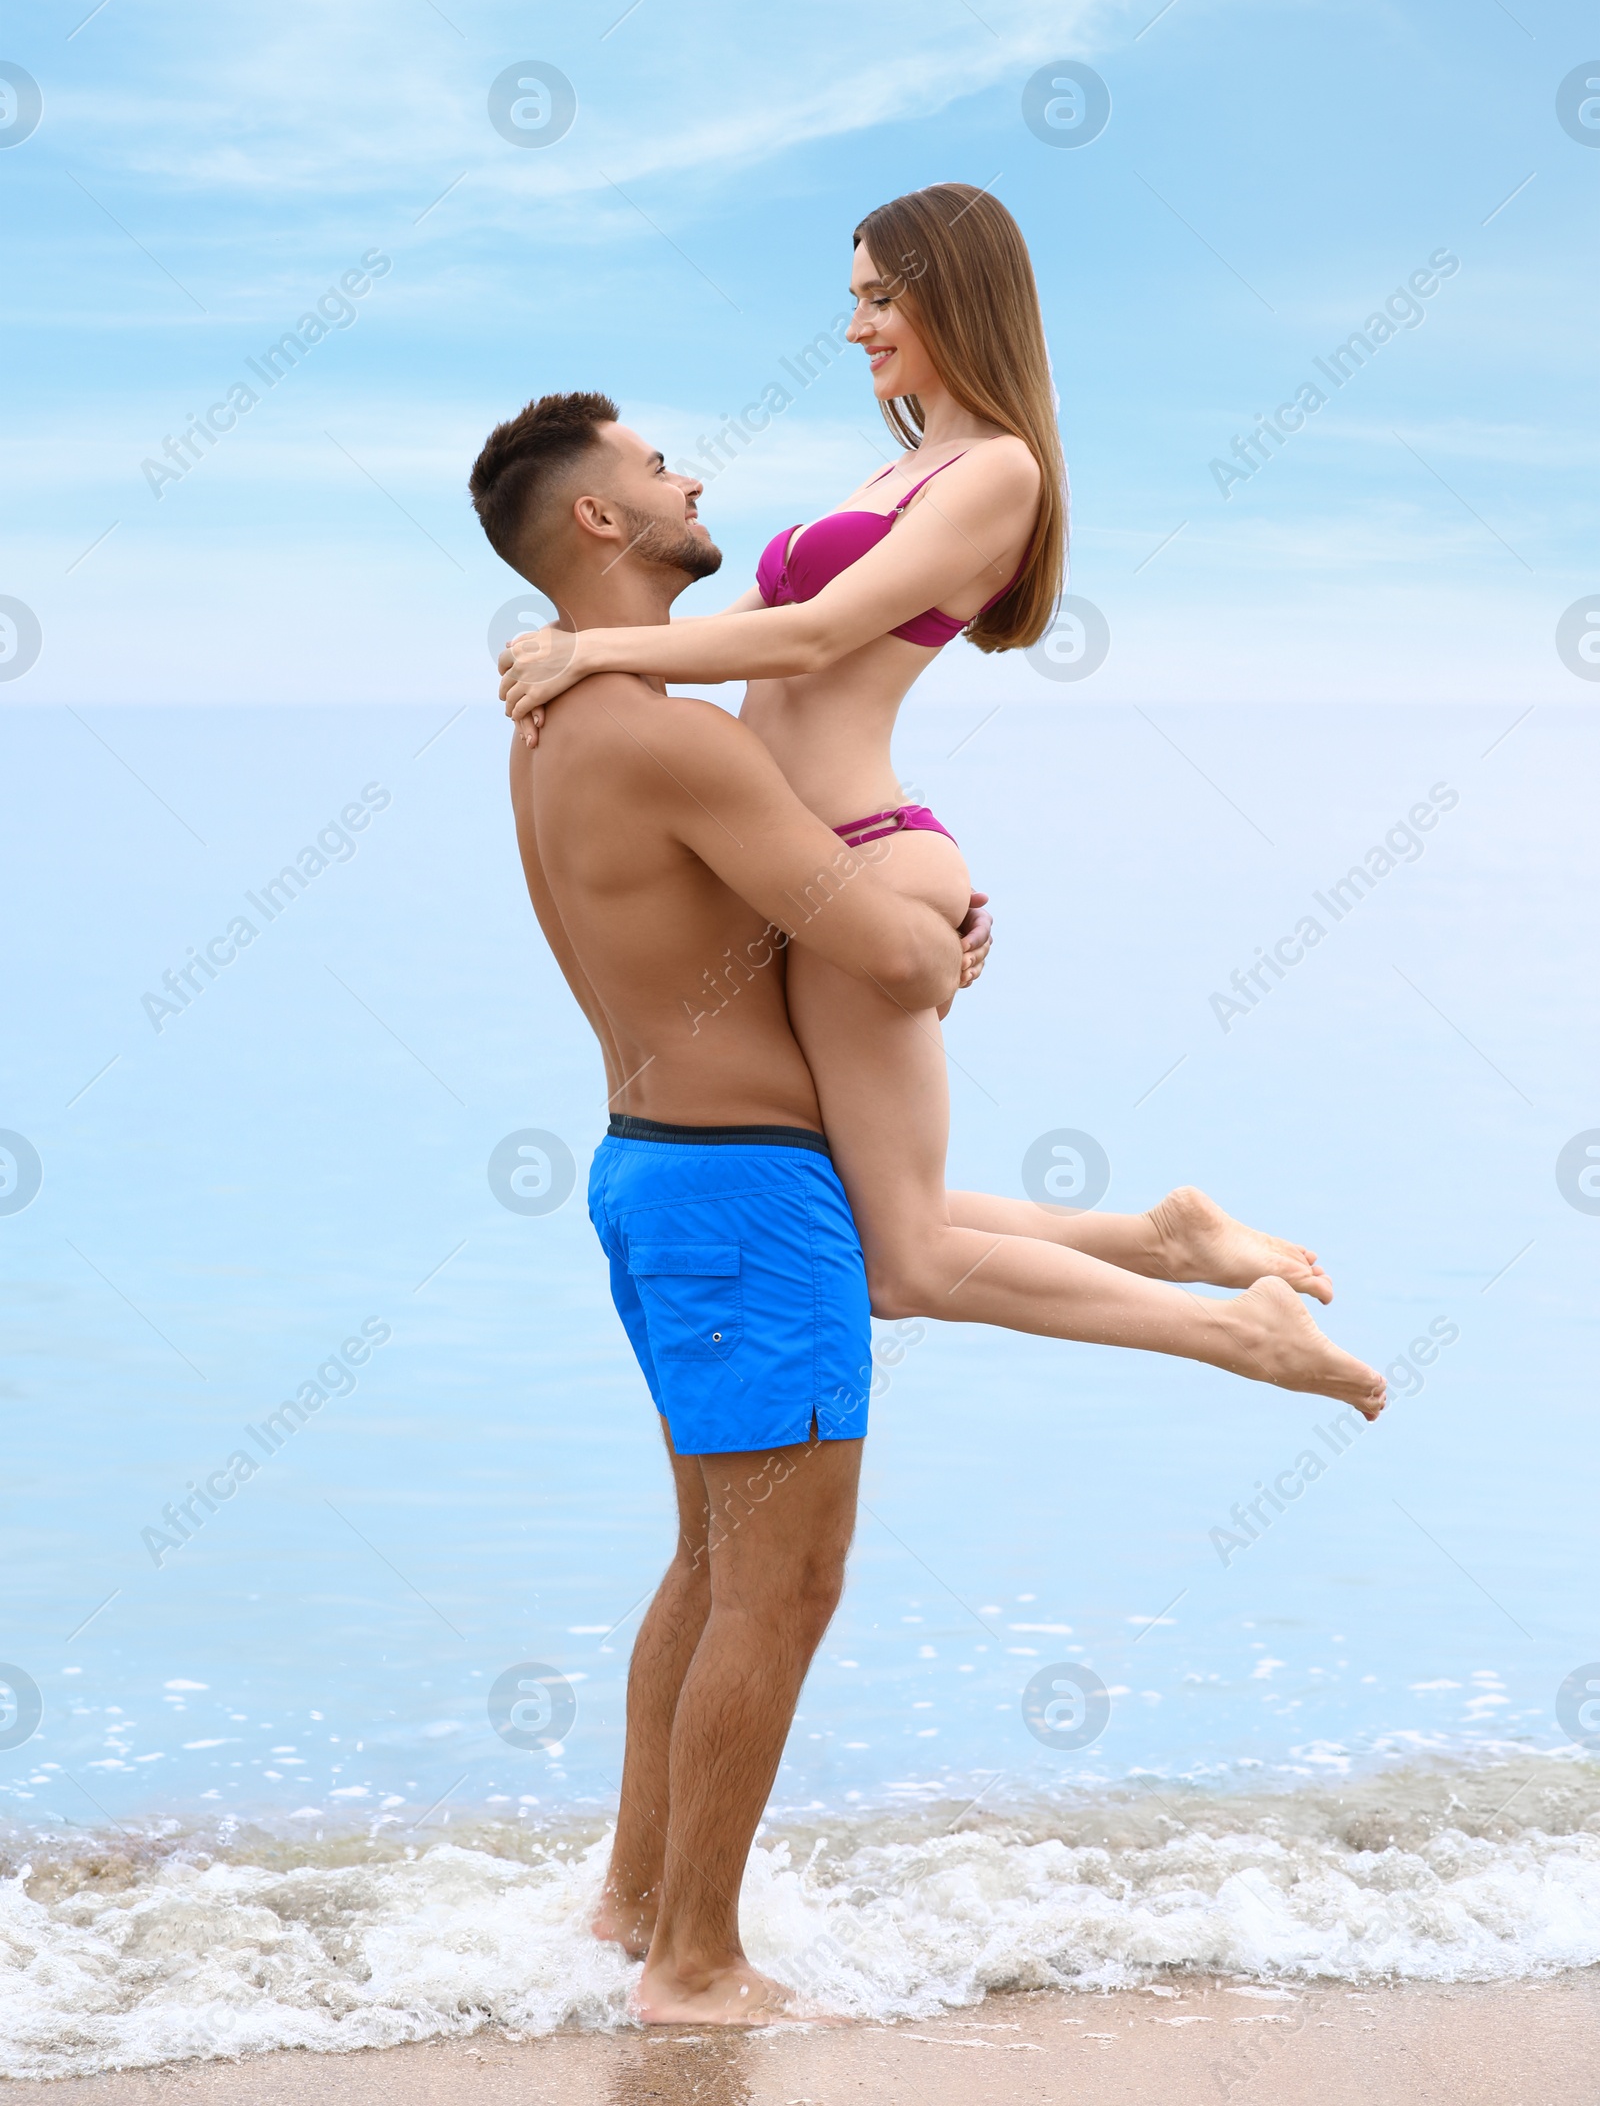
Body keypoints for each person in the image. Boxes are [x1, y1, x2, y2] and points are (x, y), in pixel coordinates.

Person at [498, 189, 1386, 1422]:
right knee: (867, 1208)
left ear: (951, 291)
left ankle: (1241, 1334)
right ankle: (1165, 1237)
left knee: (902, 1263)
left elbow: (807, 641)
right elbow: (767, 643)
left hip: (863, 858)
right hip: (816, 873)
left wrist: (588, 656)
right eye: (853, 299)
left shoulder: (1000, 471)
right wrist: (592, 651)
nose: (857, 326)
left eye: (877, 296)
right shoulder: (903, 464)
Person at [470, 389, 966, 2024]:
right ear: (600, 523)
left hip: (658, 1171)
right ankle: (697, 1964)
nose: (692, 478)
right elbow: (891, 957)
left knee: (705, 1558)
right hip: (747, 1197)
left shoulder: (558, 722)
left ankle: (633, 1904)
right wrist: (943, 918)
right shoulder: (671, 733)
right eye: (657, 466)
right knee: (784, 1584)